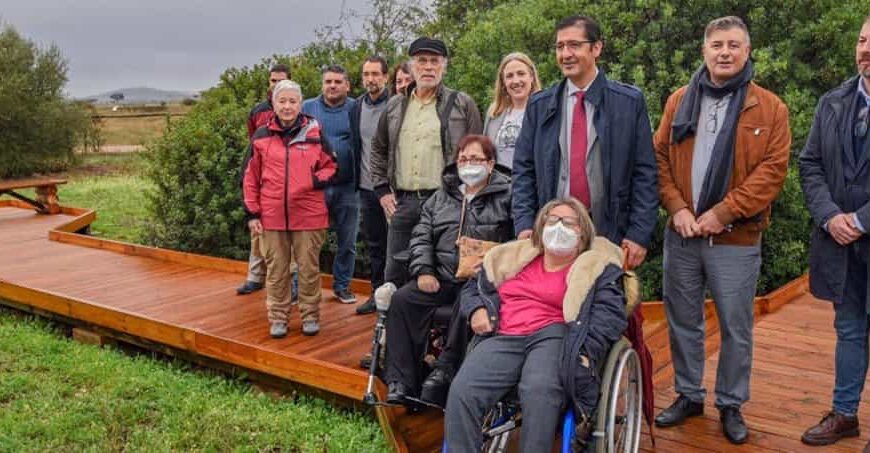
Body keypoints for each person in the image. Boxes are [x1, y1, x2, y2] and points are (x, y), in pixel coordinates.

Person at [653, 16, 791, 444]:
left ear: (747, 52)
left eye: (733, 45)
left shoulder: (770, 108)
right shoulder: (679, 101)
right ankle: (689, 394)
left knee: (735, 326)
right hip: (683, 235)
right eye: (717, 45)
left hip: (734, 238)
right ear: (704, 51)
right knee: (683, 321)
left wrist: (724, 212)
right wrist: (676, 207)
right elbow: (657, 157)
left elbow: (772, 172)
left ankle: (731, 403)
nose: (725, 52)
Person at [444, 197, 627, 452]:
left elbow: (610, 314)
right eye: (553, 220)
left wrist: (586, 352)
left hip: (554, 335)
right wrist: (476, 309)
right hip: (504, 333)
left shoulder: (595, 268)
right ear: (541, 227)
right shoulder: (513, 258)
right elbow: (475, 287)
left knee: (539, 391)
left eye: (569, 222)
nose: (559, 227)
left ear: (582, 232)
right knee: (463, 390)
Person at [511, 15, 658, 271]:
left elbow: (644, 173)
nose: (565, 54)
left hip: (610, 233)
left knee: (606, 306)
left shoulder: (628, 102)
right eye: (560, 47)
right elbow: (523, 171)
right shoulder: (539, 105)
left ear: (596, 48)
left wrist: (638, 233)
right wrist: (525, 225)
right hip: (552, 234)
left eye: (574, 45)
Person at [383, 135, 512, 404]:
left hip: (480, 281)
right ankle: (401, 380)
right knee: (402, 300)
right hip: (440, 275)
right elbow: (421, 235)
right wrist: (423, 270)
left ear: (490, 164)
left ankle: (445, 370)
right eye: (463, 159)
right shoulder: (441, 197)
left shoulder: (508, 196)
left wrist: (492, 263)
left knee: (468, 301)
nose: (468, 164)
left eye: (476, 159)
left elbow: (516, 245)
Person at [799, 16, 870, 448]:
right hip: (840, 247)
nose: (866, 49)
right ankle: (845, 414)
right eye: (863, 40)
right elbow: (810, 164)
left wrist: (861, 220)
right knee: (848, 331)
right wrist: (829, 216)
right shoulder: (833, 101)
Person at [371, 37, 483, 288]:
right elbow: (378, 149)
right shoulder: (394, 106)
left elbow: (479, 153)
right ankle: (393, 326)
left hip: (446, 201)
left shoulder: (462, 104)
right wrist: (381, 190)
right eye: (422, 61)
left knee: (444, 272)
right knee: (395, 273)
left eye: (435, 61)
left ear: (444, 67)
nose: (428, 67)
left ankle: (437, 328)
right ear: (411, 67)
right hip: (404, 202)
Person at [242, 80, 337, 337]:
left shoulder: (314, 130)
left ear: (300, 104)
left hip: (309, 214)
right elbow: (249, 177)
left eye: (292, 101)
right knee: (276, 271)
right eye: (282, 101)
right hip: (271, 216)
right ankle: (278, 317)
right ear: (273, 104)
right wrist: (252, 213)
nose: (287, 106)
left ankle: (310, 315)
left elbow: (332, 165)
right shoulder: (261, 135)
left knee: (308, 269)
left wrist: (315, 180)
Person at [302, 65, 359, 304]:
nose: (332, 85)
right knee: (308, 242)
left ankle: (342, 286)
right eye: (328, 81)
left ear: (347, 85)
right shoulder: (307, 108)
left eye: (338, 81)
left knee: (347, 241)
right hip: (316, 188)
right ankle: (302, 288)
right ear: (322, 85)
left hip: (348, 186)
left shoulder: (357, 108)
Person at [237, 63, 291, 296]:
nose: (276, 85)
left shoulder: (295, 109)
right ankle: (255, 277)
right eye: (273, 81)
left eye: (281, 80)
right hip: (262, 179)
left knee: (286, 236)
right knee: (257, 232)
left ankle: (288, 282)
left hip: (287, 182)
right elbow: (254, 144)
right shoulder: (258, 111)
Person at [350, 56, 391, 315]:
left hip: (392, 189)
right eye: (366, 74)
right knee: (374, 245)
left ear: (385, 77)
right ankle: (377, 295)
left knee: (396, 246)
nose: (371, 79)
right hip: (366, 188)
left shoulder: (396, 105)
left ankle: (394, 297)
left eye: (376, 74)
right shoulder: (356, 107)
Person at [483, 52, 541, 169]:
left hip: (533, 185)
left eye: (521, 74)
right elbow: (485, 153)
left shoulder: (544, 110)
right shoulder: (494, 112)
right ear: (503, 82)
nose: (515, 80)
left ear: (531, 77)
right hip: (500, 184)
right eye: (509, 76)